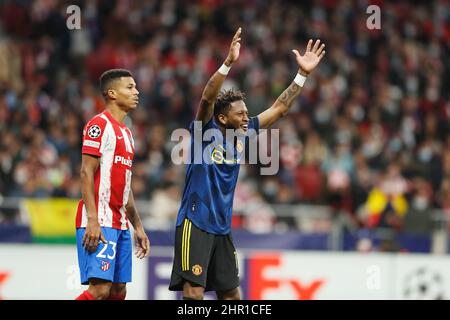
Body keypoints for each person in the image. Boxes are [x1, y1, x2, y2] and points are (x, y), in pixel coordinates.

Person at [169, 27, 325, 299]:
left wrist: (302, 75)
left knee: (232, 296)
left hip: (222, 227)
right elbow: (207, 98)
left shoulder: (242, 134)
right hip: (195, 223)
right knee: (193, 293)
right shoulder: (204, 132)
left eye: (246, 113)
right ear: (222, 118)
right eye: (239, 113)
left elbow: (280, 108)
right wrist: (228, 63)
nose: (245, 117)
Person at [75, 69, 150, 300]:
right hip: (100, 220)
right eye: (130, 87)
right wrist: (92, 219)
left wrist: (137, 226)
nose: (136, 92)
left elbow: (125, 186)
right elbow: (86, 172)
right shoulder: (98, 125)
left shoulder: (127, 133)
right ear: (112, 93)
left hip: (120, 223)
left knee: (118, 291)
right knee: (99, 290)